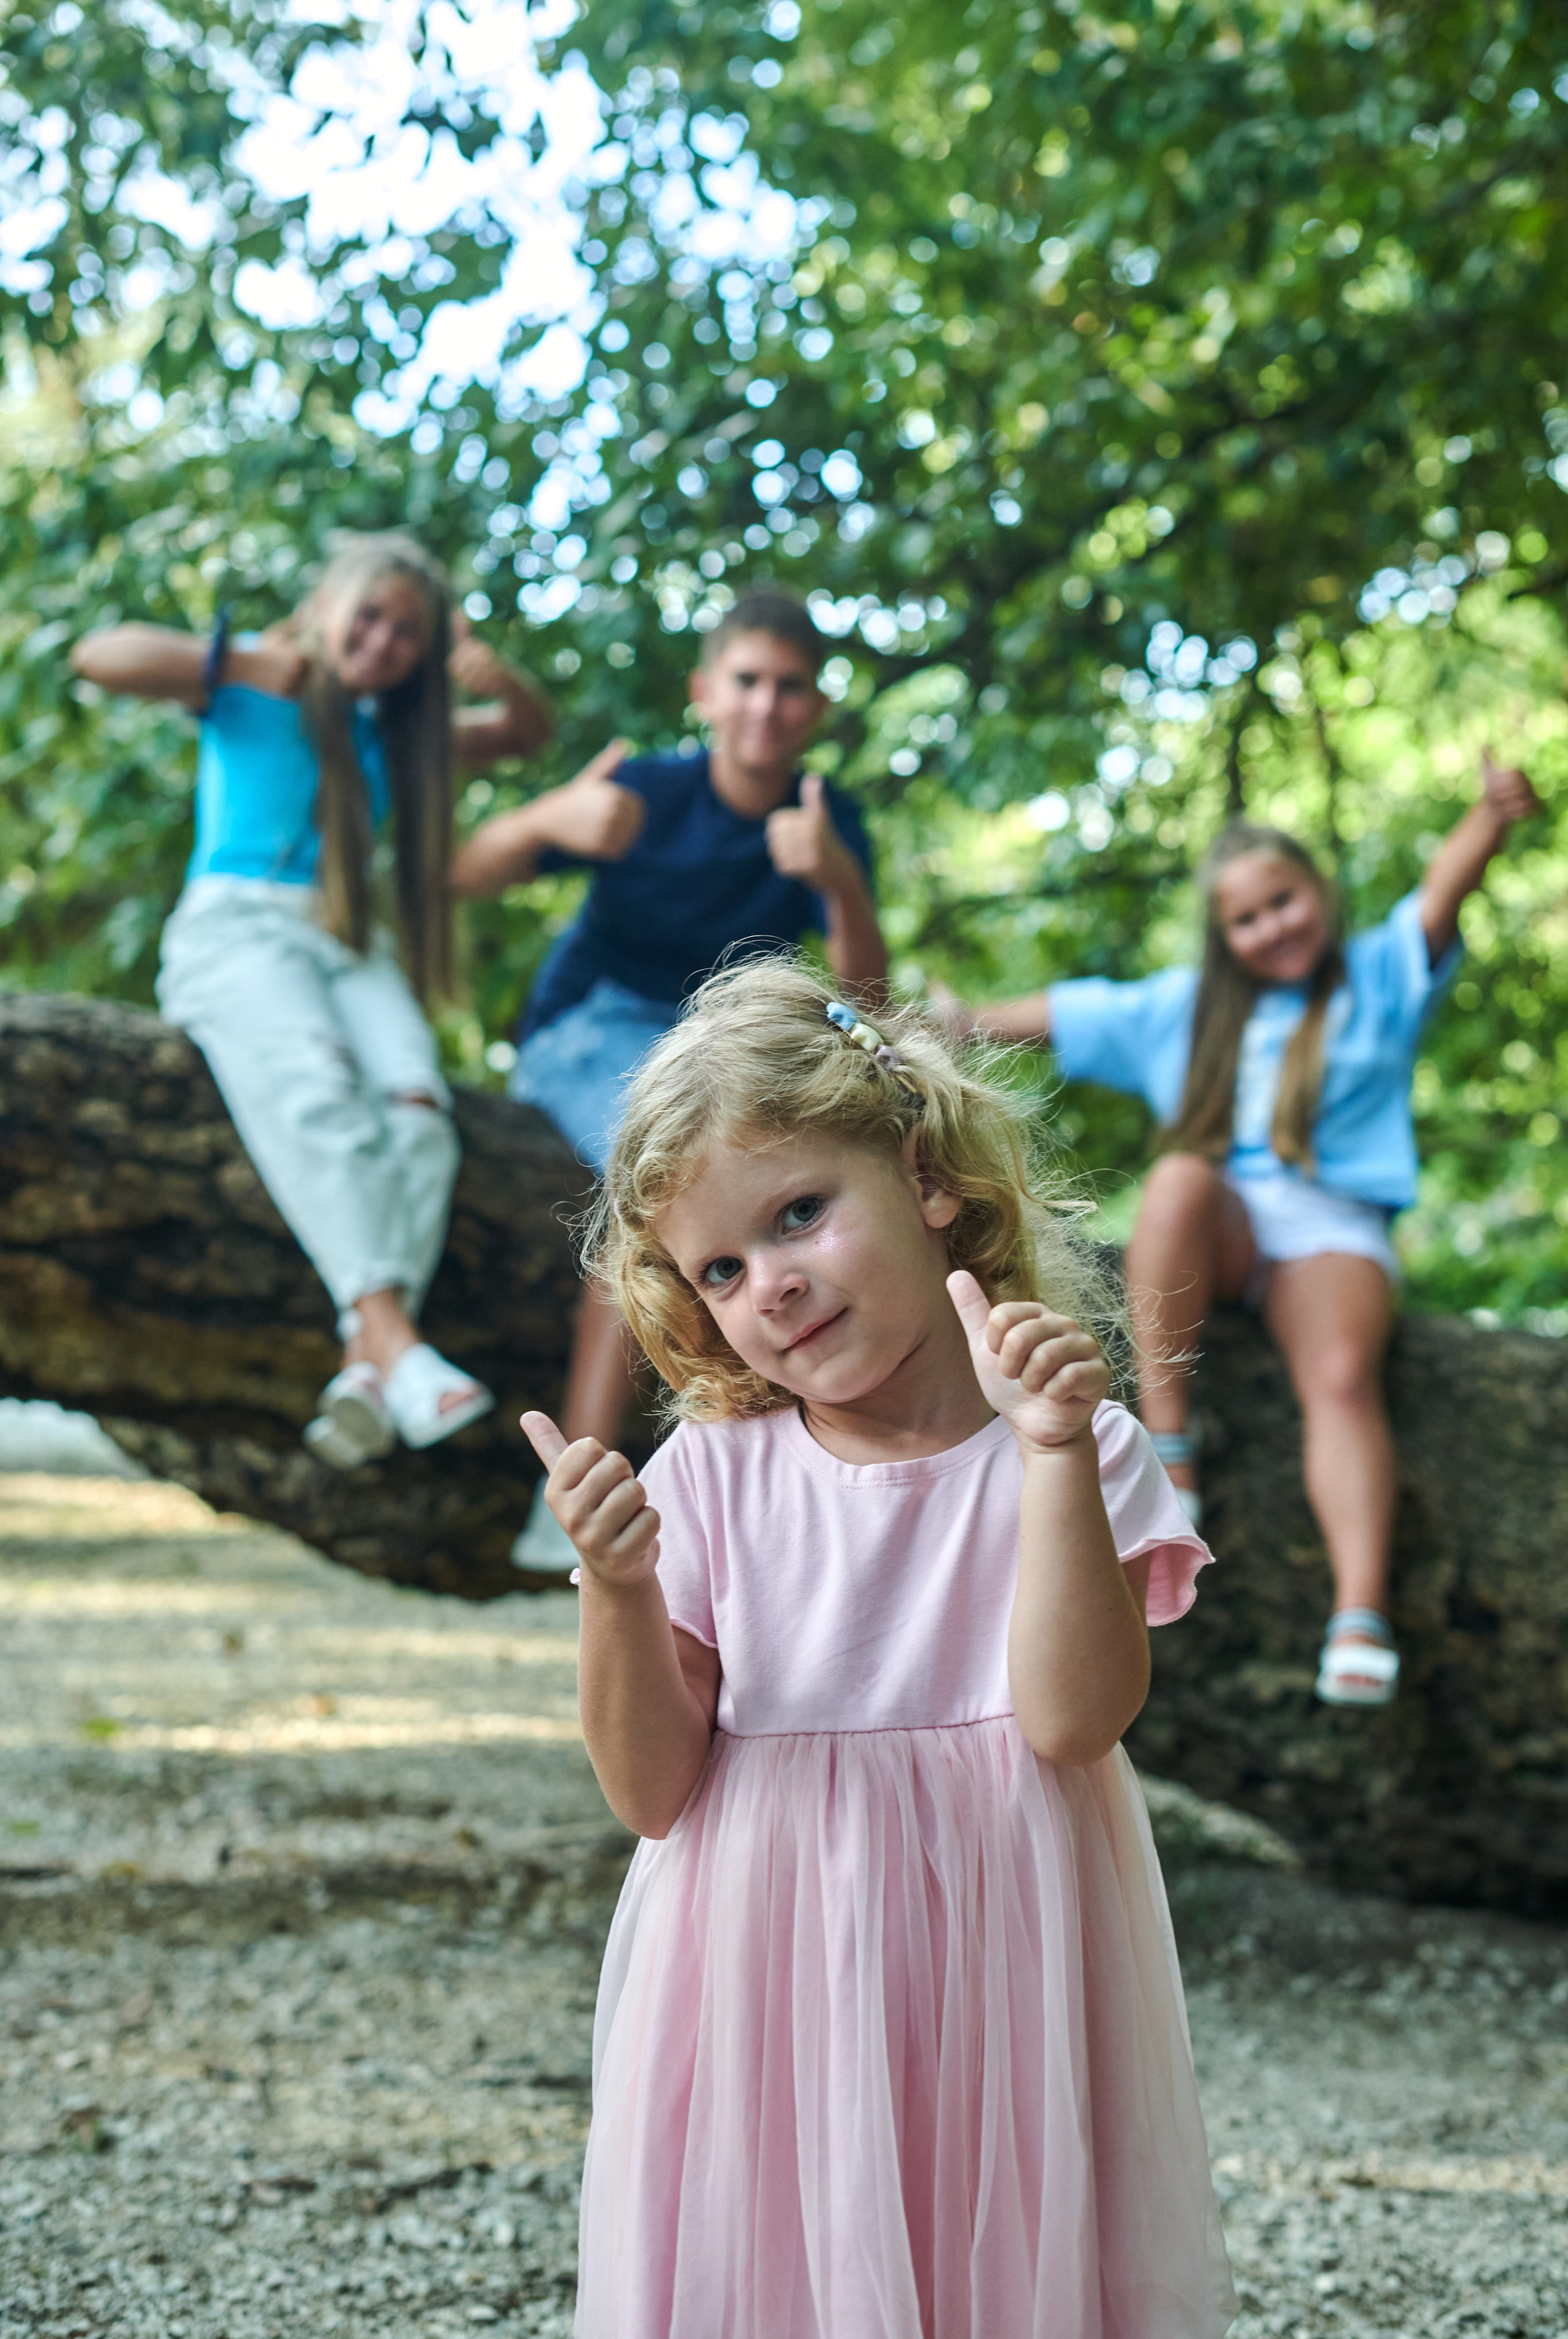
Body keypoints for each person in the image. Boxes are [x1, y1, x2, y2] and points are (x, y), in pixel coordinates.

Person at [520, 959, 1235, 2339]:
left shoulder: (1072, 1442)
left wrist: (1045, 1457)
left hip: (1003, 1951)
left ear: (923, 1176)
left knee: (1000, 2261)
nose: (769, 1285)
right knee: (783, 2269)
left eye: (799, 1214)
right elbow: (653, 1792)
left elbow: (1073, 1722)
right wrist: (615, 1589)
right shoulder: (713, 1480)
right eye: (719, 1268)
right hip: (760, 1966)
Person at [937, 750, 1542, 1706]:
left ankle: (1359, 1610)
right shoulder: (1188, 1009)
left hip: (1333, 1223)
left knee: (1342, 1379)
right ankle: (1171, 1442)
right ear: (1224, 936)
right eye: (1247, 918)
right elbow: (1061, 1013)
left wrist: (1492, 820)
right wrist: (957, 1022)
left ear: (1320, 894)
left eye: (1285, 901)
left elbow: (1439, 895)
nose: (1272, 927)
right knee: (1177, 1175)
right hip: (1229, 1224)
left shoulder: (1378, 976)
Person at [70, 531, 553, 1469]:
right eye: (368, 617)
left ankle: (367, 1364)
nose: (381, 643)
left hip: (341, 938)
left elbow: (526, 732)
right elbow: (100, 657)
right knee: (318, 1086)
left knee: (419, 1108)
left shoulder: (399, 733)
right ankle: (397, 1338)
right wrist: (247, 657)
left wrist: (496, 670)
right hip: (239, 926)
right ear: (328, 606)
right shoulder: (253, 683)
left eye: (407, 634)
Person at [451, 588, 887, 1571]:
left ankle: (784, 1488)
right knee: (667, 1188)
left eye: (790, 688)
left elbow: (868, 998)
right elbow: (462, 873)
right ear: (705, 693)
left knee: (776, 1193)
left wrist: (836, 879)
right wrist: (547, 815)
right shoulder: (647, 791)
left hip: (712, 1050)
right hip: (591, 1024)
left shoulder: (826, 816)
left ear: (815, 708)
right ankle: (575, 1484)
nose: (766, 706)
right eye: (746, 682)